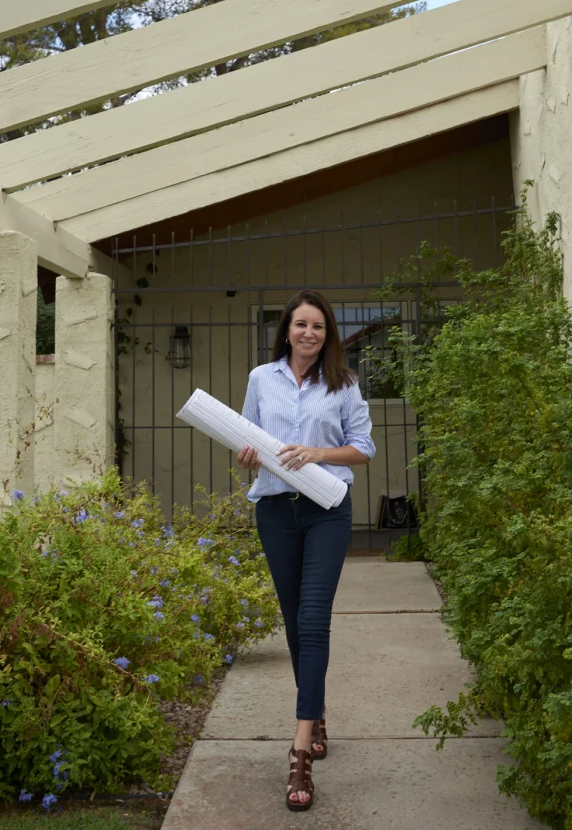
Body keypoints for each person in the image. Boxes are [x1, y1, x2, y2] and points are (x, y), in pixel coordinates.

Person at [238, 289, 375, 812]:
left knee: (314, 619)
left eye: (318, 326)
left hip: (326, 510)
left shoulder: (343, 383)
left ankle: (300, 753)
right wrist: (249, 455)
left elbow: (363, 447)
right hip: (275, 511)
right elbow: (247, 444)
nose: (309, 334)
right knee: (294, 621)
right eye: (301, 325)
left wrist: (317, 452)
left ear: (328, 333)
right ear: (287, 329)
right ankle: (314, 713)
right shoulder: (259, 379)